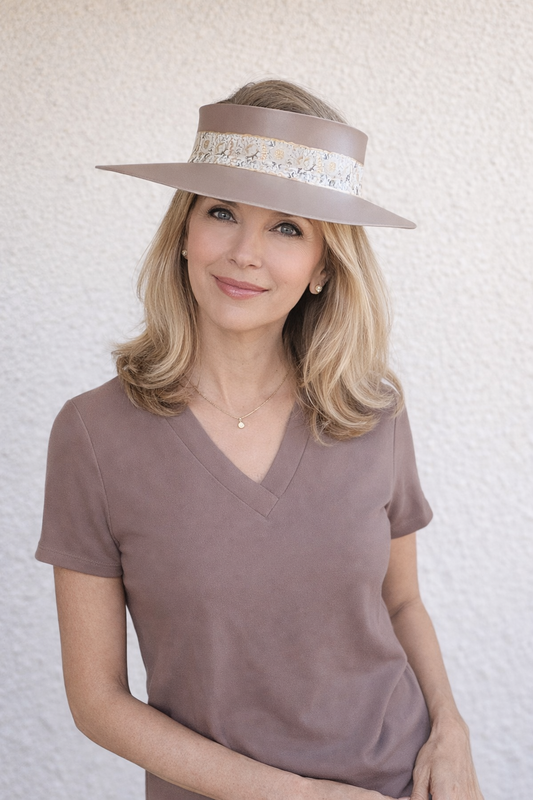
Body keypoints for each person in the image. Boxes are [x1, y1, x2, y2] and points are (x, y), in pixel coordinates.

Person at [36, 79, 484, 800]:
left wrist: (452, 733)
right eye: (222, 213)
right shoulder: (93, 434)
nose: (246, 253)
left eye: (287, 228)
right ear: (184, 233)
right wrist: (302, 796)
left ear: (323, 266)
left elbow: (400, 602)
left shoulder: (372, 411)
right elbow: (97, 701)